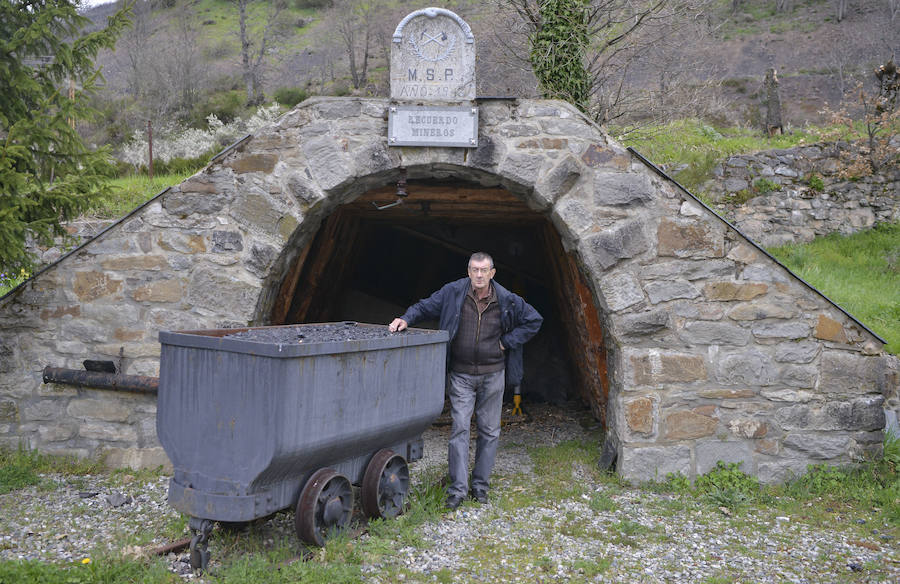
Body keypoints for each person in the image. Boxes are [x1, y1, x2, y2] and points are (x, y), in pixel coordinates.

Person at [388, 252, 543, 510]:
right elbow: (425, 306)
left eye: (484, 270)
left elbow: (534, 320)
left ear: (492, 273)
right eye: (474, 270)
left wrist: (507, 342)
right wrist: (405, 318)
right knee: (460, 428)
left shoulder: (506, 299)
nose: (479, 275)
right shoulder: (454, 292)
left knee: (489, 431)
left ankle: (480, 487)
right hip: (461, 375)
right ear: (468, 271)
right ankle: (457, 490)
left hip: (493, 374)